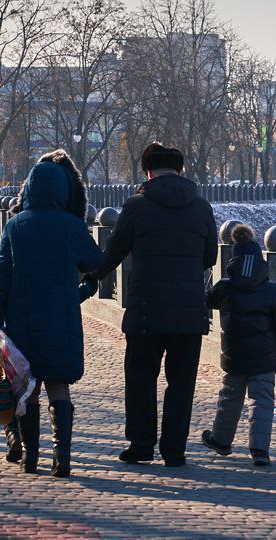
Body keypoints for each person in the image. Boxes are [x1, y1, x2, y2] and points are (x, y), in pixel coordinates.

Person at [90, 143, 217, 467]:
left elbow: (114, 252)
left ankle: (141, 446)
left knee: (141, 376)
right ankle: (174, 450)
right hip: (188, 310)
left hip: (146, 307)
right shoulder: (201, 207)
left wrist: (88, 277)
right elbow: (210, 258)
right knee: (181, 382)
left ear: (147, 170)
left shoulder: (136, 206)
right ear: (181, 170)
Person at [0, 151, 102, 477]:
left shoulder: (15, 226)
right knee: (59, 387)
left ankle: (30, 457)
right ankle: (62, 458)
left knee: (30, 389)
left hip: (23, 323)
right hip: (61, 322)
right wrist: (84, 289)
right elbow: (96, 263)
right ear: (64, 190)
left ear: (29, 187)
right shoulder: (72, 227)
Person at [201, 224, 276, 467]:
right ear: (260, 261)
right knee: (262, 401)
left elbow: (205, 301)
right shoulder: (271, 290)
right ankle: (260, 451)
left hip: (234, 355)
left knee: (230, 397)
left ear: (233, 260)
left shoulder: (225, 287)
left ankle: (221, 441)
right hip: (264, 356)